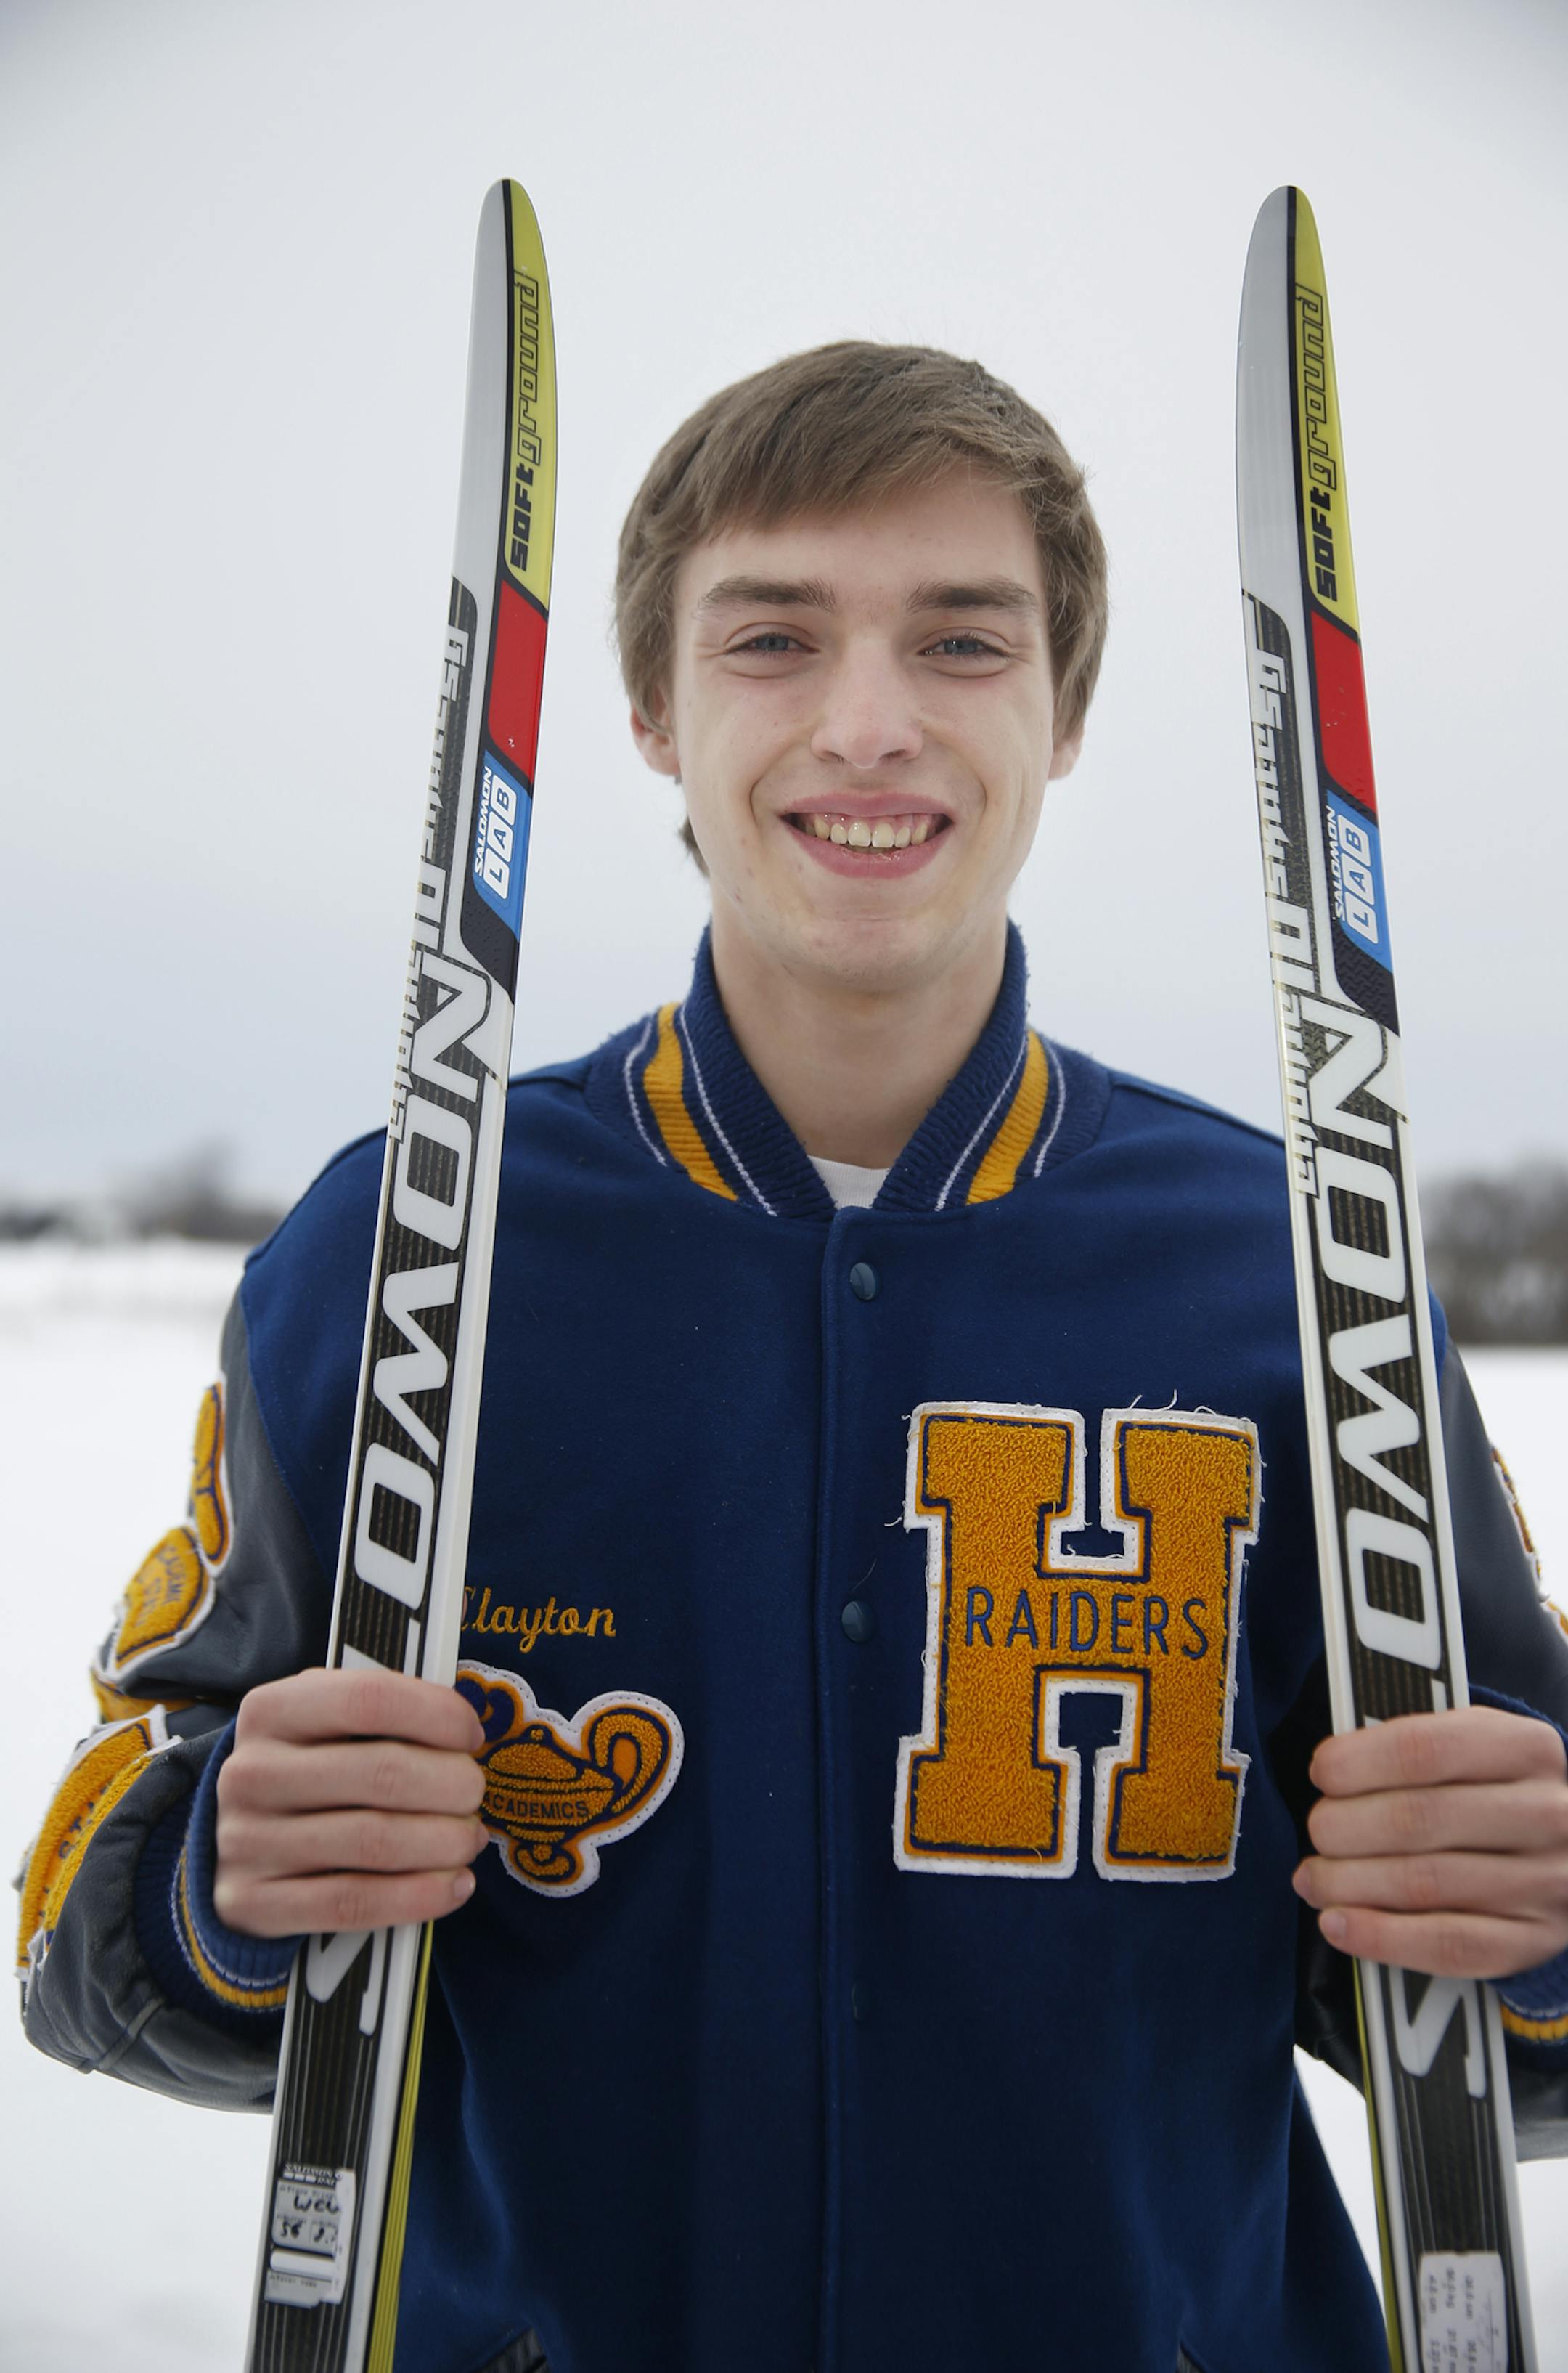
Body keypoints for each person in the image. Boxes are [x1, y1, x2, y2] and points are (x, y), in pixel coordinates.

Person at [19, 343, 1568, 2373]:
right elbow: (88, 1917)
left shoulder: (1297, 1275)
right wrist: (220, 1872)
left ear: (1063, 712)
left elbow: (1492, 2000)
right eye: (773, 637)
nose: (868, 721)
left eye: (962, 639)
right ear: (654, 710)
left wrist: (1531, 1912)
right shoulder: (410, 1248)